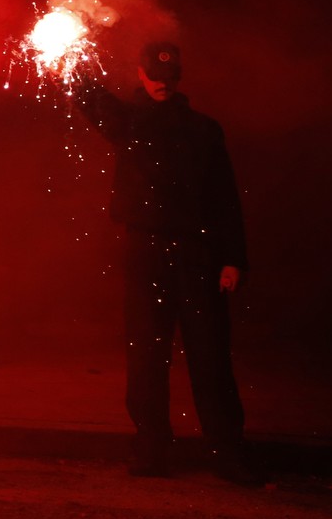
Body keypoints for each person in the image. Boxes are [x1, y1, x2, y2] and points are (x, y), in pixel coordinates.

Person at [74, 42, 257, 484]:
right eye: (154, 75)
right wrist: (73, 51)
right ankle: (152, 450)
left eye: (169, 76)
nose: (162, 83)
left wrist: (232, 258)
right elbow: (87, 95)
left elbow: (224, 198)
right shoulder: (127, 121)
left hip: (198, 252)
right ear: (140, 74)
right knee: (146, 355)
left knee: (210, 355)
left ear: (179, 78)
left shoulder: (203, 130)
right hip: (145, 251)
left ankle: (228, 454)